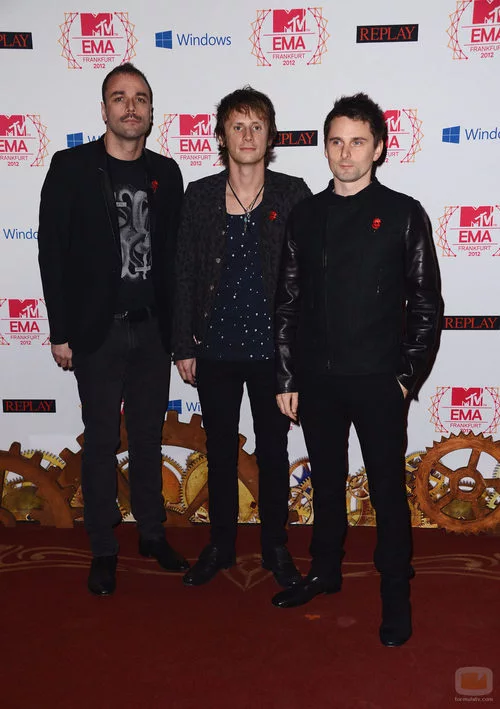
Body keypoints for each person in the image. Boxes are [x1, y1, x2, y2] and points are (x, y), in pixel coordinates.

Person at [272, 93, 442, 646]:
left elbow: (426, 303)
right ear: (325, 147)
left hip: (377, 380)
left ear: (379, 149)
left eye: (358, 142)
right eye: (336, 142)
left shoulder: (403, 213)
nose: (345, 153)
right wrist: (287, 375)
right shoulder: (305, 215)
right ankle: (325, 571)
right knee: (325, 483)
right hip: (317, 380)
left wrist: (406, 376)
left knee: (388, 490)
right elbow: (287, 302)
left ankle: (395, 593)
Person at [38, 63, 189, 596]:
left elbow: (176, 260)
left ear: (151, 111)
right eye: (120, 97)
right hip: (96, 332)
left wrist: (180, 336)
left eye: (140, 98)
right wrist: (60, 331)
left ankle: (152, 534)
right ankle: (103, 547)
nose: (131, 106)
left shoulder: (166, 173)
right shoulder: (71, 167)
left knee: (148, 437)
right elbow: (52, 253)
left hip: (152, 331)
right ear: (104, 109)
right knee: (101, 440)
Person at [173, 86, 311, 588]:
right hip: (215, 348)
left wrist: (300, 352)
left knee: (273, 451)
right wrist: (183, 344)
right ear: (221, 136)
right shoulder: (200, 195)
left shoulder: (292, 193)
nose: (247, 135)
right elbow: (184, 273)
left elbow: (308, 278)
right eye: (238, 126)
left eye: (257, 126)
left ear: (271, 137)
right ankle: (220, 545)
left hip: (273, 352)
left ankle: (275, 546)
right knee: (219, 451)